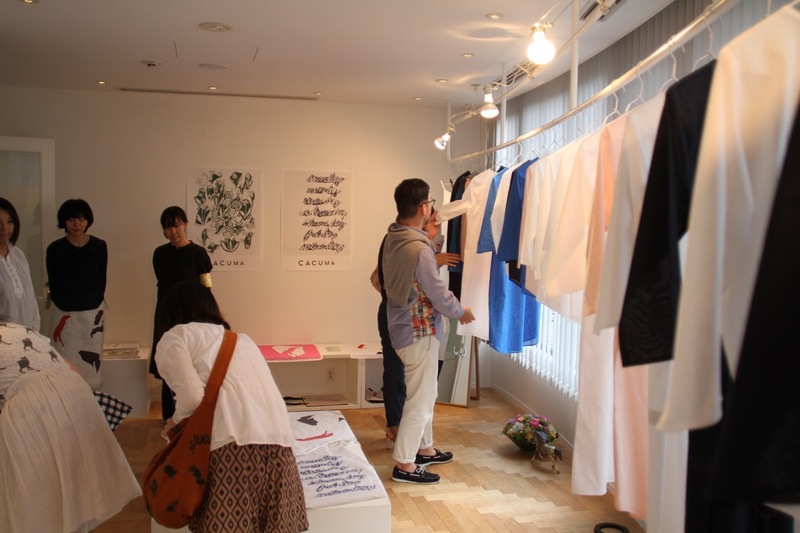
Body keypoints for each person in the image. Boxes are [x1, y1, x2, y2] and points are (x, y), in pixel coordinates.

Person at [154, 281, 309, 533]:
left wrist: (174, 423)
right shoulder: (242, 340)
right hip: (280, 446)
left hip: (230, 448)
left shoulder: (174, 337)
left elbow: (192, 398)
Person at [0, 321, 140, 533]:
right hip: (75, 398)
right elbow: (71, 369)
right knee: (74, 497)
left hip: (31, 416)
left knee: (36, 509)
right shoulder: (16, 329)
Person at [381, 178, 474, 484]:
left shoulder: (395, 237)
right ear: (424, 207)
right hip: (418, 331)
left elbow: (414, 274)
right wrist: (461, 312)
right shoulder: (419, 250)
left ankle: (425, 448)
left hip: (402, 328)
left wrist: (431, 238)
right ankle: (405, 464)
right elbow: (437, 293)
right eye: (431, 203)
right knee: (420, 399)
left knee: (424, 393)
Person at [371, 207, 460, 448]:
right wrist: (431, 262)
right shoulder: (408, 245)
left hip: (405, 316)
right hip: (404, 317)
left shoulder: (406, 241)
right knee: (399, 373)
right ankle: (399, 436)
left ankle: (418, 443)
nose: (434, 225)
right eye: (431, 219)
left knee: (417, 383)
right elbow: (379, 279)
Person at [149, 206, 212, 422]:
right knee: (168, 361)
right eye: (168, 227)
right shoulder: (159, 253)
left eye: (176, 225)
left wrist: (208, 315)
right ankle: (169, 417)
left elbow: (206, 286)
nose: (173, 231)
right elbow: (162, 282)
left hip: (192, 316)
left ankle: (194, 416)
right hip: (166, 315)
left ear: (185, 224)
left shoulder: (198, 253)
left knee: (193, 363)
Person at [45, 199, 107, 389]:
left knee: (92, 363)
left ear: (88, 221)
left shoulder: (99, 246)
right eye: (71, 219)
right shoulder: (54, 248)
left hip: (92, 311)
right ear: (64, 221)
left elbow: (101, 279)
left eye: (81, 219)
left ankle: (91, 400)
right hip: (63, 311)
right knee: (63, 361)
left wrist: (93, 299)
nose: (76, 224)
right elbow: (54, 281)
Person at [0, 197, 40, 330]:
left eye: (9, 221)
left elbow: (31, 301)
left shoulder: (18, 254)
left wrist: (34, 333)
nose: (4, 228)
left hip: (26, 335)